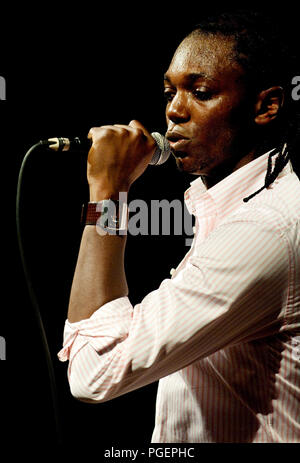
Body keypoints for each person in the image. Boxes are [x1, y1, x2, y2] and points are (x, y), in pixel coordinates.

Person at [58, 10, 300, 443]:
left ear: (266, 106)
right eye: (170, 91)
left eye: (200, 92)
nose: (173, 110)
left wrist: (109, 192)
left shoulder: (265, 229)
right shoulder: (239, 207)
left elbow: (94, 372)